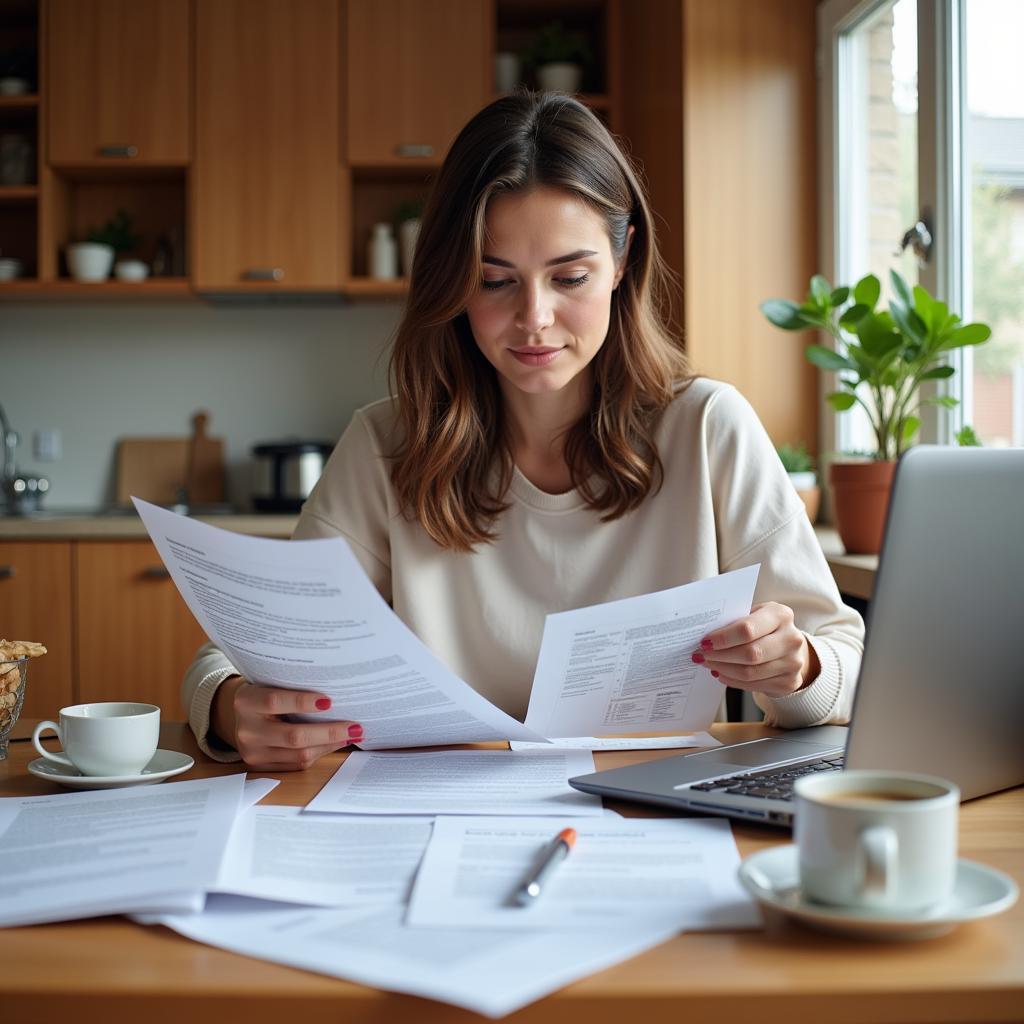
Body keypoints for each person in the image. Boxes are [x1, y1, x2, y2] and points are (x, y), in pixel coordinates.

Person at [183, 92, 864, 770]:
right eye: (494, 281)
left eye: (570, 276)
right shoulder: (386, 444)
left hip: (649, 814)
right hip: (430, 816)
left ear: (623, 263)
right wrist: (230, 704)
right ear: (452, 283)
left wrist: (798, 665)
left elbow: (845, 662)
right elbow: (239, 658)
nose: (535, 317)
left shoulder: (708, 427)